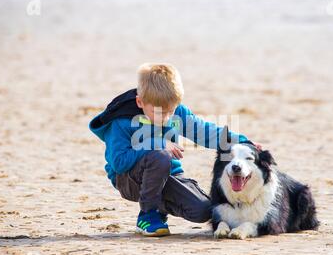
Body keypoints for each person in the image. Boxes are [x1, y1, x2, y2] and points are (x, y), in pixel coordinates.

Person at [89, 63, 261, 236]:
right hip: (129, 180)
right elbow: (119, 163)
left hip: (168, 175)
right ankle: (147, 216)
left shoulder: (177, 113)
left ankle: (158, 207)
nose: (166, 118)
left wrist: (243, 142)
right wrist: (158, 144)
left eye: (170, 111)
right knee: (160, 156)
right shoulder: (121, 122)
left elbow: (206, 132)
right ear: (140, 102)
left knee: (205, 211)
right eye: (159, 112)